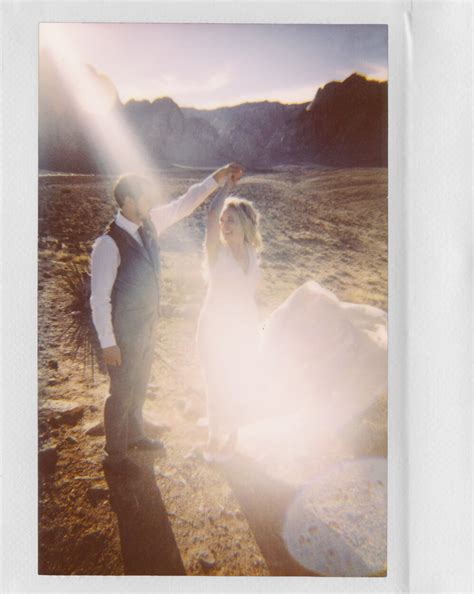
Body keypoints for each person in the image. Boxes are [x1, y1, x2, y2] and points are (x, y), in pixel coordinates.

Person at [90, 163, 243, 476]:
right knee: (121, 392)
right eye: (145, 198)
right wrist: (108, 343)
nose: (151, 203)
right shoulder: (107, 245)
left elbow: (185, 203)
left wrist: (219, 176)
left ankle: (135, 436)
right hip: (122, 335)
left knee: (140, 383)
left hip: (146, 327)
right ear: (129, 202)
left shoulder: (149, 223)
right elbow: (99, 299)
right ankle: (115, 458)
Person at [196, 175, 263, 462]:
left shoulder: (252, 253)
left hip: (244, 329)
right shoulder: (216, 254)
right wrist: (225, 188)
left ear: (245, 225)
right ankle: (214, 436)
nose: (224, 226)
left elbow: (250, 295)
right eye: (224, 222)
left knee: (237, 380)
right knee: (216, 381)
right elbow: (211, 215)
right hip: (214, 329)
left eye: (231, 221)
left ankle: (233, 434)